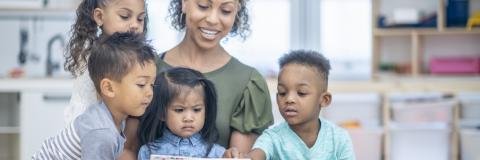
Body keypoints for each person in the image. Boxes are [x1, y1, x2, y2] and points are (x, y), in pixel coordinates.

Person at [125, 0, 274, 157]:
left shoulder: (248, 83)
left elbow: (237, 156)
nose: (213, 19)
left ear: (237, 11)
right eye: (203, 6)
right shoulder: (146, 69)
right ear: (183, 3)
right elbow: (127, 149)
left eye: (226, 10)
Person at [32, 32, 157, 159]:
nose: (150, 92)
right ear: (109, 88)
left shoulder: (110, 117)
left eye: (152, 85)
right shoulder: (102, 132)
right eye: (141, 84)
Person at [229, 50, 356, 159]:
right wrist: (239, 157)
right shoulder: (272, 138)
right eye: (282, 93)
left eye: (301, 93)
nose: (289, 99)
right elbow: (255, 156)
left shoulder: (339, 138)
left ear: (324, 100)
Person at [63, 0, 148, 124]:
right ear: (99, 16)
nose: (135, 24)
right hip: (90, 128)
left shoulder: (121, 53)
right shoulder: (97, 54)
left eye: (140, 19)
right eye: (125, 16)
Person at [138, 67, 226, 159]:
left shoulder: (218, 154)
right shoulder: (148, 152)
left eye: (196, 110)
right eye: (179, 110)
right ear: (161, 114)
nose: (188, 118)